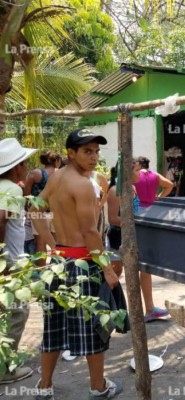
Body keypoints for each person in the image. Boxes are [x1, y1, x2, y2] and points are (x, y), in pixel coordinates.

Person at [31, 128, 122, 399]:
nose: (94, 157)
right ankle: (98, 388)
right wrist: (106, 267)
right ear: (71, 153)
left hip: (59, 262)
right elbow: (90, 232)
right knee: (94, 327)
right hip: (83, 263)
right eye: (87, 151)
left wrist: (50, 244)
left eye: (96, 151)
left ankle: (44, 387)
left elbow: (35, 207)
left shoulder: (57, 177)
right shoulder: (81, 185)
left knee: (54, 327)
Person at [0, 138, 37, 384]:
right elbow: (2, 220)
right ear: (16, 168)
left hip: (8, 260)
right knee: (17, 313)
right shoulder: (12, 189)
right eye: (24, 163)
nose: (26, 167)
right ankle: (5, 369)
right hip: (11, 261)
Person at [132, 156, 172, 321]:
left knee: (140, 262)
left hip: (137, 215)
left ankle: (147, 308)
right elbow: (170, 185)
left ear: (139, 165)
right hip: (152, 215)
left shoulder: (133, 177)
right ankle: (149, 308)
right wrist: (159, 198)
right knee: (145, 264)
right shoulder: (154, 175)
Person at [106, 162, 141, 278]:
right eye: (137, 170)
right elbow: (113, 218)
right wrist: (133, 223)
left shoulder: (133, 188)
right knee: (116, 271)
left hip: (132, 235)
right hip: (117, 237)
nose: (140, 173)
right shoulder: (115, 191)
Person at [23, 150, 61, 254]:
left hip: (38, 213)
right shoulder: (61, 175)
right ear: (56, 161)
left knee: (40, 242)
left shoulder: (36, 173)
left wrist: (27, 210)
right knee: (57, 242)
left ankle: (41, 269)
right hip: (56, 212)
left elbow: (26, 194)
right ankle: (58, 266)